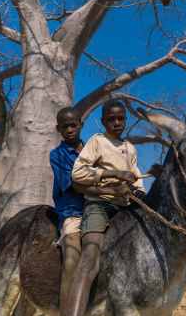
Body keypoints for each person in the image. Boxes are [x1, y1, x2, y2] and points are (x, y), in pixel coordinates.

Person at [66, 100, 146, 316]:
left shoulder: (129, 148)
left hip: (123, 207)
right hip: (98, 205)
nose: (117, 123)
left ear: (126, 120)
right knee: (89, 259)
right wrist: (115, 175)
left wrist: (139, 191)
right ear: (103, 122)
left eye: (121, 119)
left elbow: (135, 175)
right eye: (111, 119)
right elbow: (79, 173)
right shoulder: (97, 141)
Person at [50, 106, 131, 316]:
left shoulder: (91, 147)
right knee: (71, 261)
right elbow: (76, 185)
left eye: (73, 125)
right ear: (58, 128)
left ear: (81, 126)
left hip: (104, 204)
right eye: (65, 126)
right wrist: (112, 190)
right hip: (74, 212)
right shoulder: (57, 154)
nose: (70, 129)